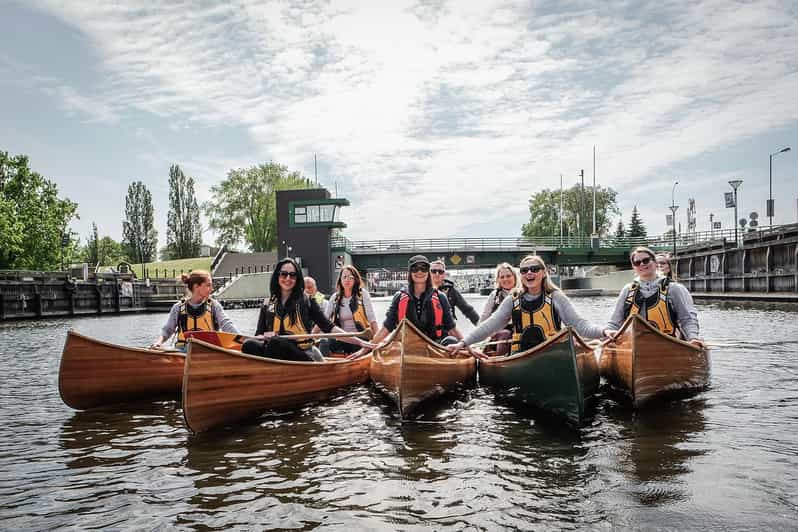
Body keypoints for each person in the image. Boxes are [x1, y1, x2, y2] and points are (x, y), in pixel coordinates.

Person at [447, 255, 605, 357]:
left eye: (534, 269)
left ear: (543, 273)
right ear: (521, 275)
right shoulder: (512, 300)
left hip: (551, 354)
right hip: (521, 355)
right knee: (502, 335)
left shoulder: (556, 297)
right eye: (524, 270)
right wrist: (463, 343)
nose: (529, 273)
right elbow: (489, 326)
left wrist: (603, 331)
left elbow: (580, 325)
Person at [242, 258, 372, 361]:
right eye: (284, 274)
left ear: (297, 278)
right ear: (277, 276)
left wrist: (361, 342)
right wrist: (261, 337)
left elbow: (330, 328)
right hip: (275, 351)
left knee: (276, 343)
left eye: (292, 275)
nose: (288, 278)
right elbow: (258, 335)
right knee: (249, 345)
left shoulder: (308, 301)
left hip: (302, 354)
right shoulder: (267, 304)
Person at [604, 247, 703, 347]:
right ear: (634, 267)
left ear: (655, 263)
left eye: (646, 260)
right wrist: (608, 333)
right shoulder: (627, 290)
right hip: (633, 346)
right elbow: (614, 323)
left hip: (668, 346)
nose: (642, 264)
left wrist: (693, 338)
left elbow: (687, 319)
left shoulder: (674, 289)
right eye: (637, 263)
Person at [367, 255, 462, 349]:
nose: (419, 271)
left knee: (451, 341)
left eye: (423, 268)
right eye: (415, 268)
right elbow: (386, 328)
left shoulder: (441, 297)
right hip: (407, 347)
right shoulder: (399, 297)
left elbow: (452, 329)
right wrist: (366, 348)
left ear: (428, 272)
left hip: (434, 346)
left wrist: (466, 344)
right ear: (410, 273)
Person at [151, 270, 239, 350]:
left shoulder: (214, 306)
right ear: (196, 286)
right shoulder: (178, 308)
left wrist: (242, 340)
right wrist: (158, 343)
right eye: (208, 285)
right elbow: (167, 330)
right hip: (183, 352)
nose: (211, 289)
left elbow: (227, 325)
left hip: (209, 351)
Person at [318, 265, 379, 355]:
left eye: (351, 277)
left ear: (355, 280)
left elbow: (372, 319)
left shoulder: (363, 294)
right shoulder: (335, 298)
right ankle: (325, 365)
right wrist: (311, 336)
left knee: (358, 346)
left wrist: (377, 339)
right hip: (342, 338)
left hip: (360, 336)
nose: (347, 280)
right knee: (324, 342)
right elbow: (323, 320)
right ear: (340, 280)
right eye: (344, 277)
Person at [477, 262, 519, 356]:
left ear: (515, 277)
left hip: (520, 331)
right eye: (502, 277)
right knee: (505, 334)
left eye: (508, 276)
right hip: (500, 333)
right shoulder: (494, 295)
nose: (505, 279)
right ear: (498, 280)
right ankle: (501, 362)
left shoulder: (523, 292)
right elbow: (485, 316)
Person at [429, 260, 480, 326]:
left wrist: (481, 326)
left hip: (448, 329)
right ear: (428, 273)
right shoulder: (422, 289)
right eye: (433, 271)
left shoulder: (450, 290)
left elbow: (467, 310)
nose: (437, 274)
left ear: (444, 274)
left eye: (440, 272)